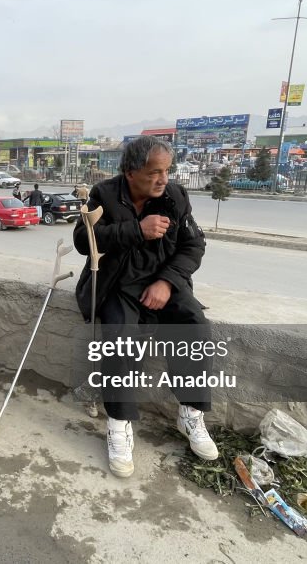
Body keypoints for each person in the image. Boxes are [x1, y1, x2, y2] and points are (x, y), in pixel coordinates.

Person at [73, 136, 216, 479]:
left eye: (166, 171)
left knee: (194, 323)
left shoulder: (175, 197)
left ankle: (190, 412)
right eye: (154, 172)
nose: (162, 179)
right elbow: (83, 241)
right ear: (130, 172)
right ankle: (119, 424)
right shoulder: (105, 195)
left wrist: (167, 282)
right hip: (119, 284)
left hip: (164, 281)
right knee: (119, 336)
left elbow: (193, 247)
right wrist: (135, 230)